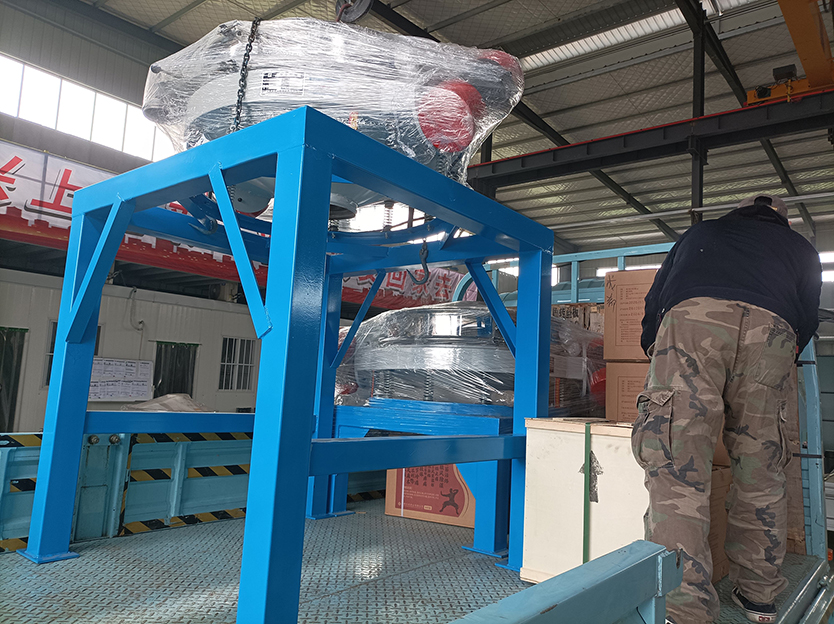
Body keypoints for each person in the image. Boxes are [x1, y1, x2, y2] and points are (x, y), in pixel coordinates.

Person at [631, 194, 821, 624]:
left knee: (677, 464)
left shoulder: (703, 232)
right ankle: (759, 597)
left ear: (738, 212)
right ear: (784, 222)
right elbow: (807, 318)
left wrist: (654, 346)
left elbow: (655, 298)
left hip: (693, 321)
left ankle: (684, 611)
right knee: (761, 467)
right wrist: (782, 355)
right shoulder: (801, 249)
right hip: (773, 332)